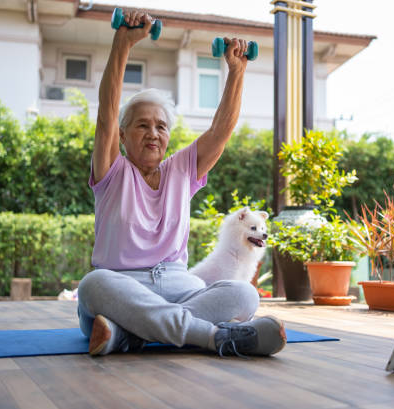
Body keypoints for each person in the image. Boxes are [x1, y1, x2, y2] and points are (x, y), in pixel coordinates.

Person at [77, 10, 286, 357]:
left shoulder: (181, 171)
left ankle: (129, 336)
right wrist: (122, 42)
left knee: (245, 294)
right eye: (142, 126)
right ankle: (214, 337)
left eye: (161, 126)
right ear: (123, 135)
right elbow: (106, 113)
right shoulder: (112, 171)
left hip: (179, 287)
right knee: (92, 284)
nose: (153, 134)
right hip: (121, 290)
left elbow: (221, 132)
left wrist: (237, 70)